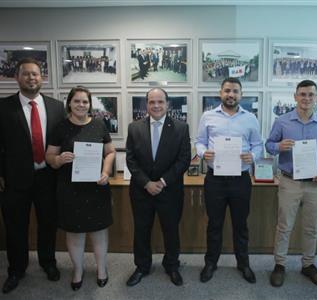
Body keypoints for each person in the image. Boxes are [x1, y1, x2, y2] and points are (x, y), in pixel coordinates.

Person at [0, 58, 65, 294]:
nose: (31, 78)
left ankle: (48, 262)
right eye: (26, 74)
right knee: (15, 226)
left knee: (48, 224)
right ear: (17, 78)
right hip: (15, 180)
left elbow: (63, 142)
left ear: (42, 78)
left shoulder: (57, 107)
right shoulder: (3, 107)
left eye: (35, 74)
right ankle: (17, 269)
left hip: (48, 177)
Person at [266, 80, 317, 288]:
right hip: (289, 181)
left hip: (314, 183)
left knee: (311, 228)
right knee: (284, 226)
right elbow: (269, 146)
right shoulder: (282, 121)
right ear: (295, 96)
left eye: (311, 95)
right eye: (302, 94)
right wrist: (278, 145)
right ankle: (279, 265)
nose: (306, 98)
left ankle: (308, 264)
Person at [45, 86, 116, 291]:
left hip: (96, 187)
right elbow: (49, 158)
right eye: (77, 101)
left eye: (85, 102)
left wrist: (106, 170)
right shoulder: (60, 127)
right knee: (75, 233)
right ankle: (78, 269)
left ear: (89, 104)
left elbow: (110, 152)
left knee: (99, 232)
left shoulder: (99, 125)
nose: (81, 105)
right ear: (69, 103)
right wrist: (58, 159)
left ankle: (101, 269)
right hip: (69, 188)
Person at [195, 77, 263, 283]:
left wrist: (253, 156)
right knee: (214, 224)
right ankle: (211, 263)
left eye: (235, 91)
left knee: (240, 224)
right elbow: (199, 142)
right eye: (227, 91)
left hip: (240, 179)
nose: (230, 95)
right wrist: (203, 153)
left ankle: (243, 264)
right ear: (220, 93)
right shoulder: (208, 116)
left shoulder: (251, 118)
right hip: (215, 179)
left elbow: (258, 145)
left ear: (241, 95)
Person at [125, 87, 191, 287]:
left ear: (167, 104)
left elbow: (184, 160)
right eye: (152, 102)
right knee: (142, 230)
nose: (156, 105)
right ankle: (142, 266)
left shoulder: (181, 127)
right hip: (141, 191)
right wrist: (146, 183)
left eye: (160, 102)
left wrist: (162, 182)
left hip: (169, 190)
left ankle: (172, 265)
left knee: (170, 230)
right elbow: (130, 159)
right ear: (146, 104)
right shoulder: (134, 127)